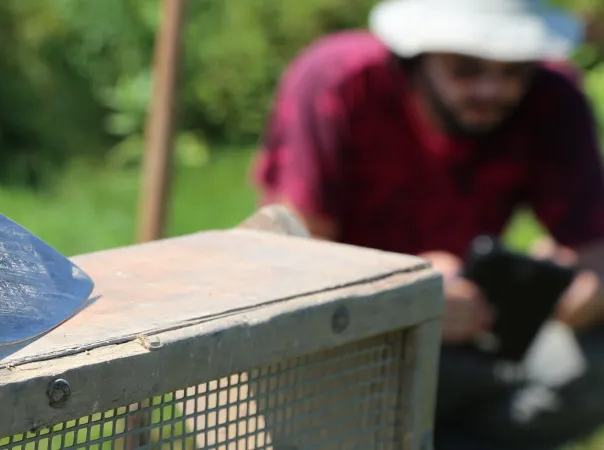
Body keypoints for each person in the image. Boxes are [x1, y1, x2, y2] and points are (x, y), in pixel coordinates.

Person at [249, 0, 604, 448]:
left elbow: (594, 247)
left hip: (473, 335)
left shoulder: (553, 96)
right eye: (465, 69)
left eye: (515, 70)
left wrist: (582, 286)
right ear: (416, 57)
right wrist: (408, 292)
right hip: (342, 344)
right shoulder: (337, 81)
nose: (493, 89)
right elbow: (289, 263)